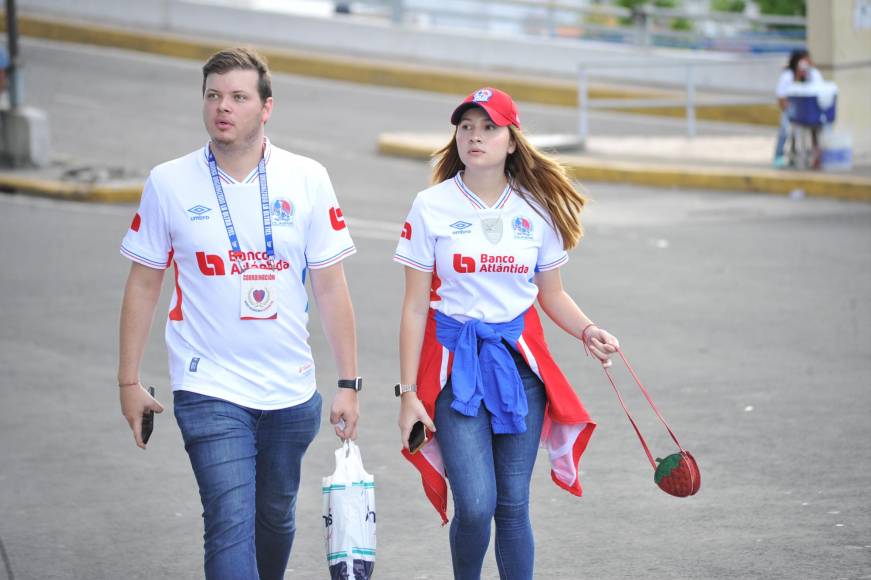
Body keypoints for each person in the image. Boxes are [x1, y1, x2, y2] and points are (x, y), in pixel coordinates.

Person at [117, 47, 361, 580]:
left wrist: (348, 382)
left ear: (266, 107)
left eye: (238, 97)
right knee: (229, 520)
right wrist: (128, 381)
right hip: (208, 386)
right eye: (212, 96)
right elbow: (143, 284)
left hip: (290, 391)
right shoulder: (169, 182)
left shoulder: (307, 178)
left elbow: (331, 287)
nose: (222, 107)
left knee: (273, 518)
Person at [393, 87, 619, 580]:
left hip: (520, 372)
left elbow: (552, 294)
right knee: (475, 504)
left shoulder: (535, 210)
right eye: (466, 127)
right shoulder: (431, 205)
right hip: (457, 372)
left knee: (512, 505)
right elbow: (414, 307)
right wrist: (409, 393)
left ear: (512, 140)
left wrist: (589, 330)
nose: (475, 136)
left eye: (489, 127)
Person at [773, 49, 823, 168]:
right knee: (785, 130)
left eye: (807, 59)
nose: (805, 62)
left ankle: (816, 158)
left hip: (809, 110)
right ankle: (779, 156)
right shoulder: (788, 76)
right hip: (792, 109)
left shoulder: (813, 74)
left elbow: (819, 90)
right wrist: (797, 76)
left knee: (816, 129)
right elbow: (781, 98)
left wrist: (809, 71)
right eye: (803, 59)